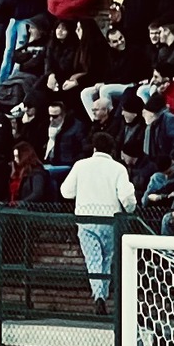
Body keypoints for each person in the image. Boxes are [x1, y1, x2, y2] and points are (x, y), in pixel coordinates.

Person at [60, 133, 137, 311]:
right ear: (112, 149)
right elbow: (127, 198)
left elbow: (66, 192)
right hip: (110, 220)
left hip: (86, 219)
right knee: (106, 259)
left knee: (93, 259)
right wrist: (131, 206)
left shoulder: (81, 166)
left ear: (94, 148)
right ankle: (102, 294)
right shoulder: (118, 168)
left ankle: (99, 295)